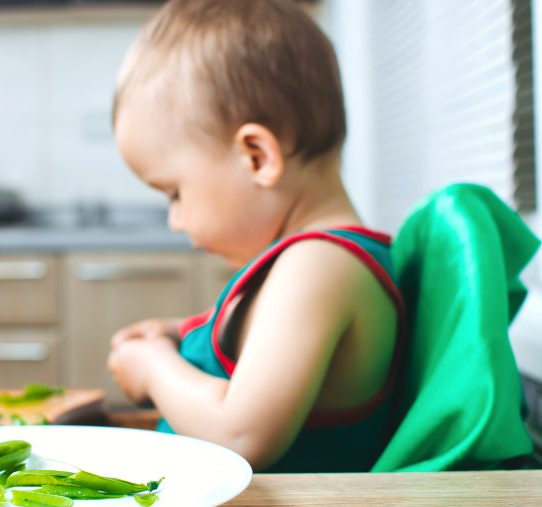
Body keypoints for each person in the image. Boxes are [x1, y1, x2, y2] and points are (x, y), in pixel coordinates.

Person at [107, 0, 403, 473]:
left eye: (174, 192)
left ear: (257, 157)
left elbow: (239, 433)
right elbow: (267, 342)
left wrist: (155, 367)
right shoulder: (313, 262)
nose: (175, 220)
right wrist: (178, 331)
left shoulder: (320, 266)